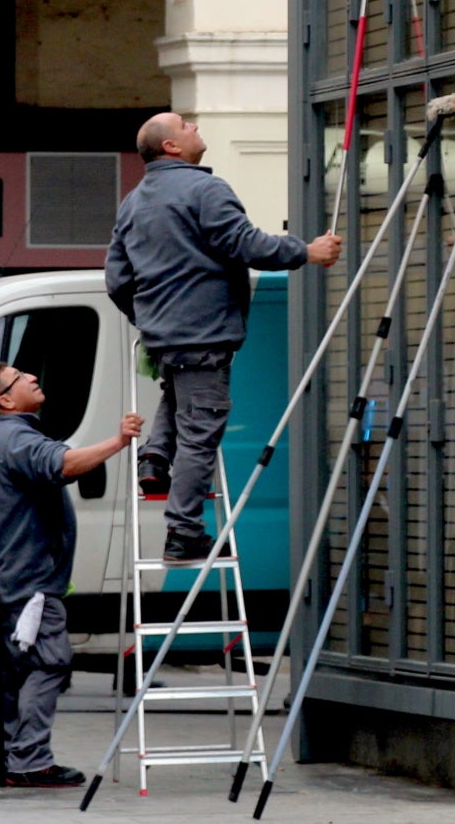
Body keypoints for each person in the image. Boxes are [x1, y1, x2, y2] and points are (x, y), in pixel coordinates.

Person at [105, 112, 341, 562]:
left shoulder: (133, 202)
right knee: (201, 432)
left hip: (165, 334)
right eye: (185, 125)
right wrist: (307, 251)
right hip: (203, 331)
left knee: (177, 397)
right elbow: (246, 245)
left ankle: (154, 457)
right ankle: (184, 532)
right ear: (171, 147)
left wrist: (150, 315)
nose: (194, 126)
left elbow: (117, 278)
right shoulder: (205, 189)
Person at [0, 361, 142, 788]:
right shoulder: (16, 438)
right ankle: (29, 760)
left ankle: (14, 757)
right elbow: (63, 464)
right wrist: (119, 441)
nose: (30, 376)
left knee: (21, 670)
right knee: (51, 663)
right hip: (30, 581)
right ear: (5, 400)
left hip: (7, 577)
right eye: (18, 377)